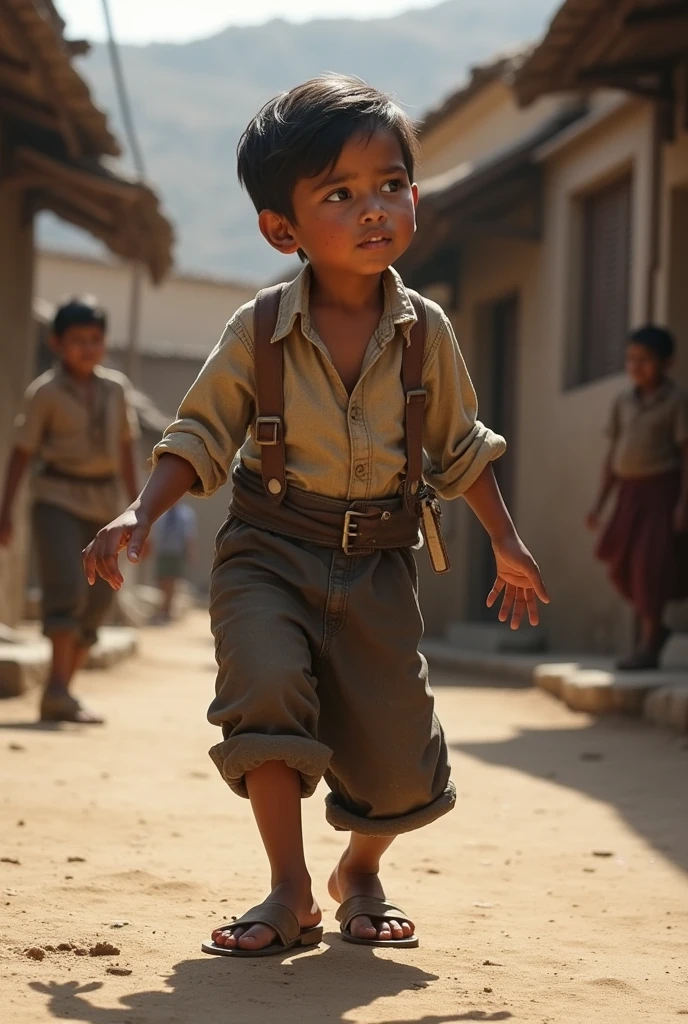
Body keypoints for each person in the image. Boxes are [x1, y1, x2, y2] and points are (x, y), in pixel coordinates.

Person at [83, 75, 549, 956]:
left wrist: (508, 541)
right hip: (269, 547)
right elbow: (200, 431)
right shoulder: (257, 331)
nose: (374, 208)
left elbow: (460, 446)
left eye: (390, 184)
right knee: (263, 691)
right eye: (340, 193)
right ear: (281, 228)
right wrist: (139, 512)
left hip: (379, 561)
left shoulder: (427, 333)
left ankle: (359, 869)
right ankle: (290, 888)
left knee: (401, 757)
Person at [0, 297, 140, 724]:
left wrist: (139, 510)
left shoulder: (116, 389)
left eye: (95, 339)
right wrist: (6, 511)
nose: (87, 348)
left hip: (104, 506)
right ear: (57, 342)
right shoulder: (44, 392)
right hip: (56, 499)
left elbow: (125, 448)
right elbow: (22, 453)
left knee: (99, 599)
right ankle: (56, 691)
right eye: (77, 340)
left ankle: (63, 690)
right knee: (67, 589)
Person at [587, 325, 688, 670]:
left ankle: (648, 647)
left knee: (649, 568)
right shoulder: (623, 402)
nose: (637, 366)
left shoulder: (675, 402)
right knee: (619, 565)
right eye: (631, 359)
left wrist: (682, 503)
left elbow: (686, 454)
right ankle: (658, 629)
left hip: (661, 492)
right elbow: (613, 456)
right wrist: (599, 505)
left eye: (645, 360)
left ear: (666, 362)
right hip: (628, 494)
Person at [152, 502, 197, 621]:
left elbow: (189, 536)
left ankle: (168, 609)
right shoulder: (161, 514)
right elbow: (156, 534)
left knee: (171, 581)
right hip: (163, 551)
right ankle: (163, 607)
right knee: (162, 581)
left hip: (176, 552)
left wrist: (190, 553)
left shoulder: (185, 514)